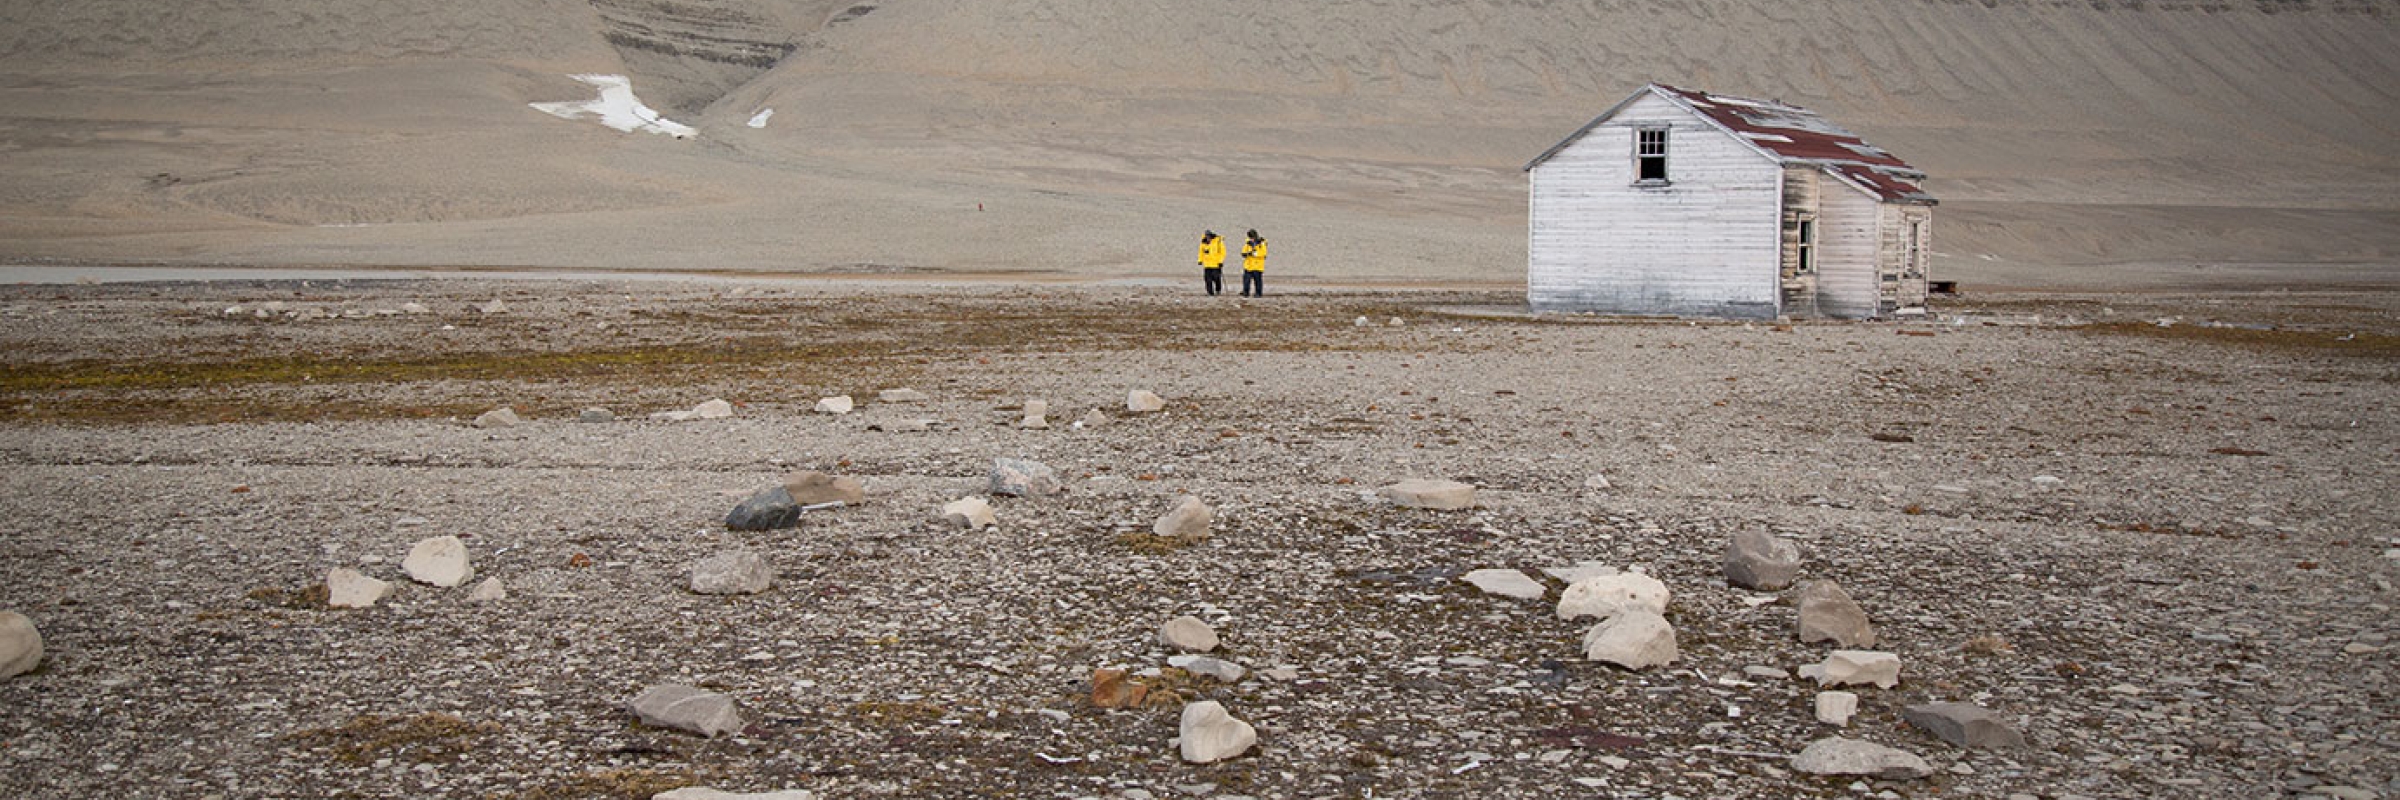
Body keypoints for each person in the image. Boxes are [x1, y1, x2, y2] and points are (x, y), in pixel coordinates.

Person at [1197, 230, 1226, 296]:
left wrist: (1220, 261)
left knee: (1216, 278)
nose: (1208, 238)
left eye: (1209, 236)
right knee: (1207, 279)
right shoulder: (1203, 243)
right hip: (1207, 264)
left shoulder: (1218, 242)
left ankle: (1218, 289)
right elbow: (1201, 252)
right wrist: (1200, 260)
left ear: (1211, 236)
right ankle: (1210, 292)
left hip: (1216, 264)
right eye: (1207, 236)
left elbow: (1222, 252)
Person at [1239, 229, 1268, 297]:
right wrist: (1245, 254)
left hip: (1257, 266)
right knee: (1246, 280)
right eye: (1250, 237)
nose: (1251, 239)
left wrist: (1254, 254)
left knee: (1257, 281)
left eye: (1252, 237)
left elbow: (1264, 253)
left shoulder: (1262, 244)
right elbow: (1243, 251)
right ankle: (1246, 292)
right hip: (1248, 265)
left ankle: (1258, 293)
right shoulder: (1247, 243)